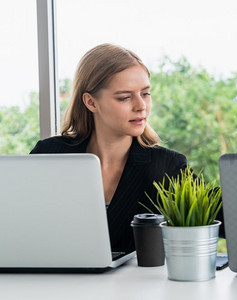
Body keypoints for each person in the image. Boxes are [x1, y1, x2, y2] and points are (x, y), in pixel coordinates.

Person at [30, 43, 189, 253]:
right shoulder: (49, 155)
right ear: (91, 102)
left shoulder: (167, 166)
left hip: (136, 285)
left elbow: (217, 215)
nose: (141, 106)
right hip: (56, 282)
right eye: (124, 97)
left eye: (145, 94)